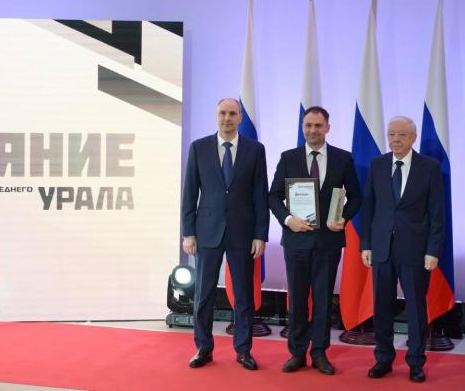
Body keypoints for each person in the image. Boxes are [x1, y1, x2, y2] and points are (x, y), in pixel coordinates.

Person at [268, 106, 361, 375]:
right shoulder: (288, 157)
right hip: (296, 240)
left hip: (328, 242)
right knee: (297, 300)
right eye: (308, 125)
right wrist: (288, 220)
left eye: (318, 125)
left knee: (323, 300)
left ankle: (320, 352)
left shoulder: (343, 158)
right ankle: (297, 352)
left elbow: (357, 196)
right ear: (302, 127)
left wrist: (343, 217)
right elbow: (273, 196)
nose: (312, 130)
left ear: (327, 127)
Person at [181, 98, 269, 370]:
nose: (227, 118)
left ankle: (243, 350)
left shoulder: (255, 150)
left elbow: (260, 195)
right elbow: (189, 193)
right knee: (204, 294)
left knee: (243, 295)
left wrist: (260, 235)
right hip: (207, 232)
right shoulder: (199, 147)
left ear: (240, 117)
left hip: (243, 233)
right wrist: (188, 232)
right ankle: (203, 348)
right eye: (222, 113)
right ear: (216, 115)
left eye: (232, 113)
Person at [360, 116, 444, 383]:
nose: (395, 139)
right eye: (391, 134)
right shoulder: (377, 164)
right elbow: (369, 207)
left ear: (413, 138)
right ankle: (383, 359)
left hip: (415, 250)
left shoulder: (429, 167)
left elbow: (437, 213)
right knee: (382, 306)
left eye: (401, 135)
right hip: (381, 248)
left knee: (416, 308)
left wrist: (433, 250)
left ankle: (416, 362)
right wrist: (366, 244)